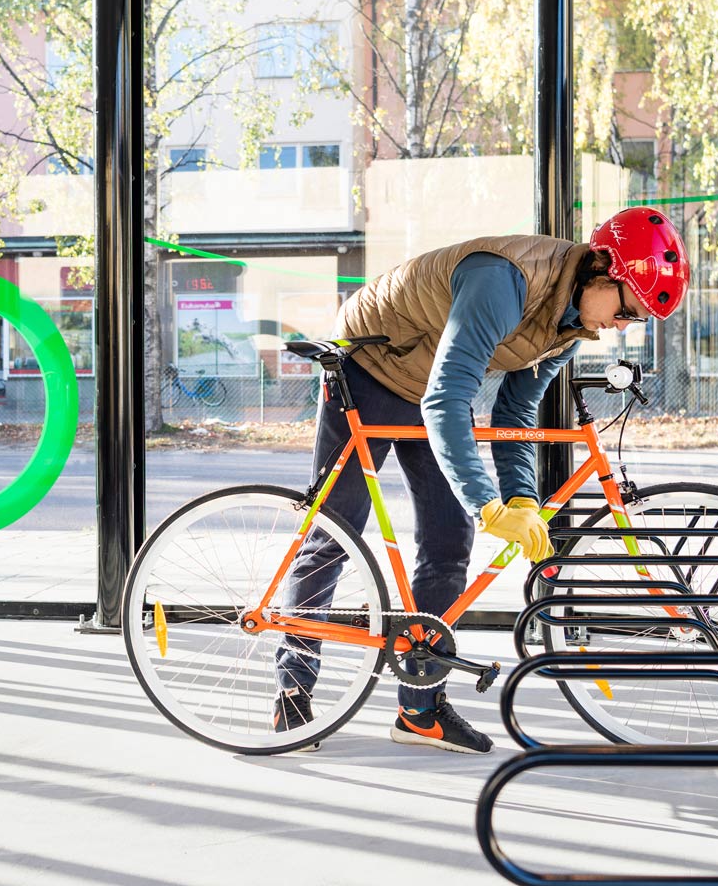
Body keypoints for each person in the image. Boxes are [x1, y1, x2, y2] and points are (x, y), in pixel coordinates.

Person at [273, 208, 692, 753]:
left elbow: (517, 413)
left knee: (449, 545)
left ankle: (420, 709)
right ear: (601, 268)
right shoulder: (505, 278)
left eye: (632, 321)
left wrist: (520, 499)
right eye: (625, 310)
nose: (620, 326)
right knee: (336, 533)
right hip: (369, 369)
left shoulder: (572, 323)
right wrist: (487, 503)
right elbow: (447, 398)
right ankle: (291, 694)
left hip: (431, 388)